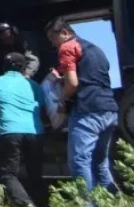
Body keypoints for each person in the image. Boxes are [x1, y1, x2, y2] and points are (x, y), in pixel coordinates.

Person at [45, 18, 118, 199]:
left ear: (64, 33)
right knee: (100, 162)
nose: (53, 44)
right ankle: (113, 201)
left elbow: (73, 83)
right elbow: (91, 78)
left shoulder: (67, 47)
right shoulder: (96, 49)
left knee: (79, 161)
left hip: (87, 111)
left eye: (53, 39)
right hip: (109, 109)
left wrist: (61, 101)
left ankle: (87, 203)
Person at [0, 53, 46, 206]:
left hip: (10, 131)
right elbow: (41, 104)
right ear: (23, 67)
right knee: (35, 174)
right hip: (35, 131)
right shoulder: (34, 85)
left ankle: (26, 203)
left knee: (8, 174)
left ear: (4, 66)